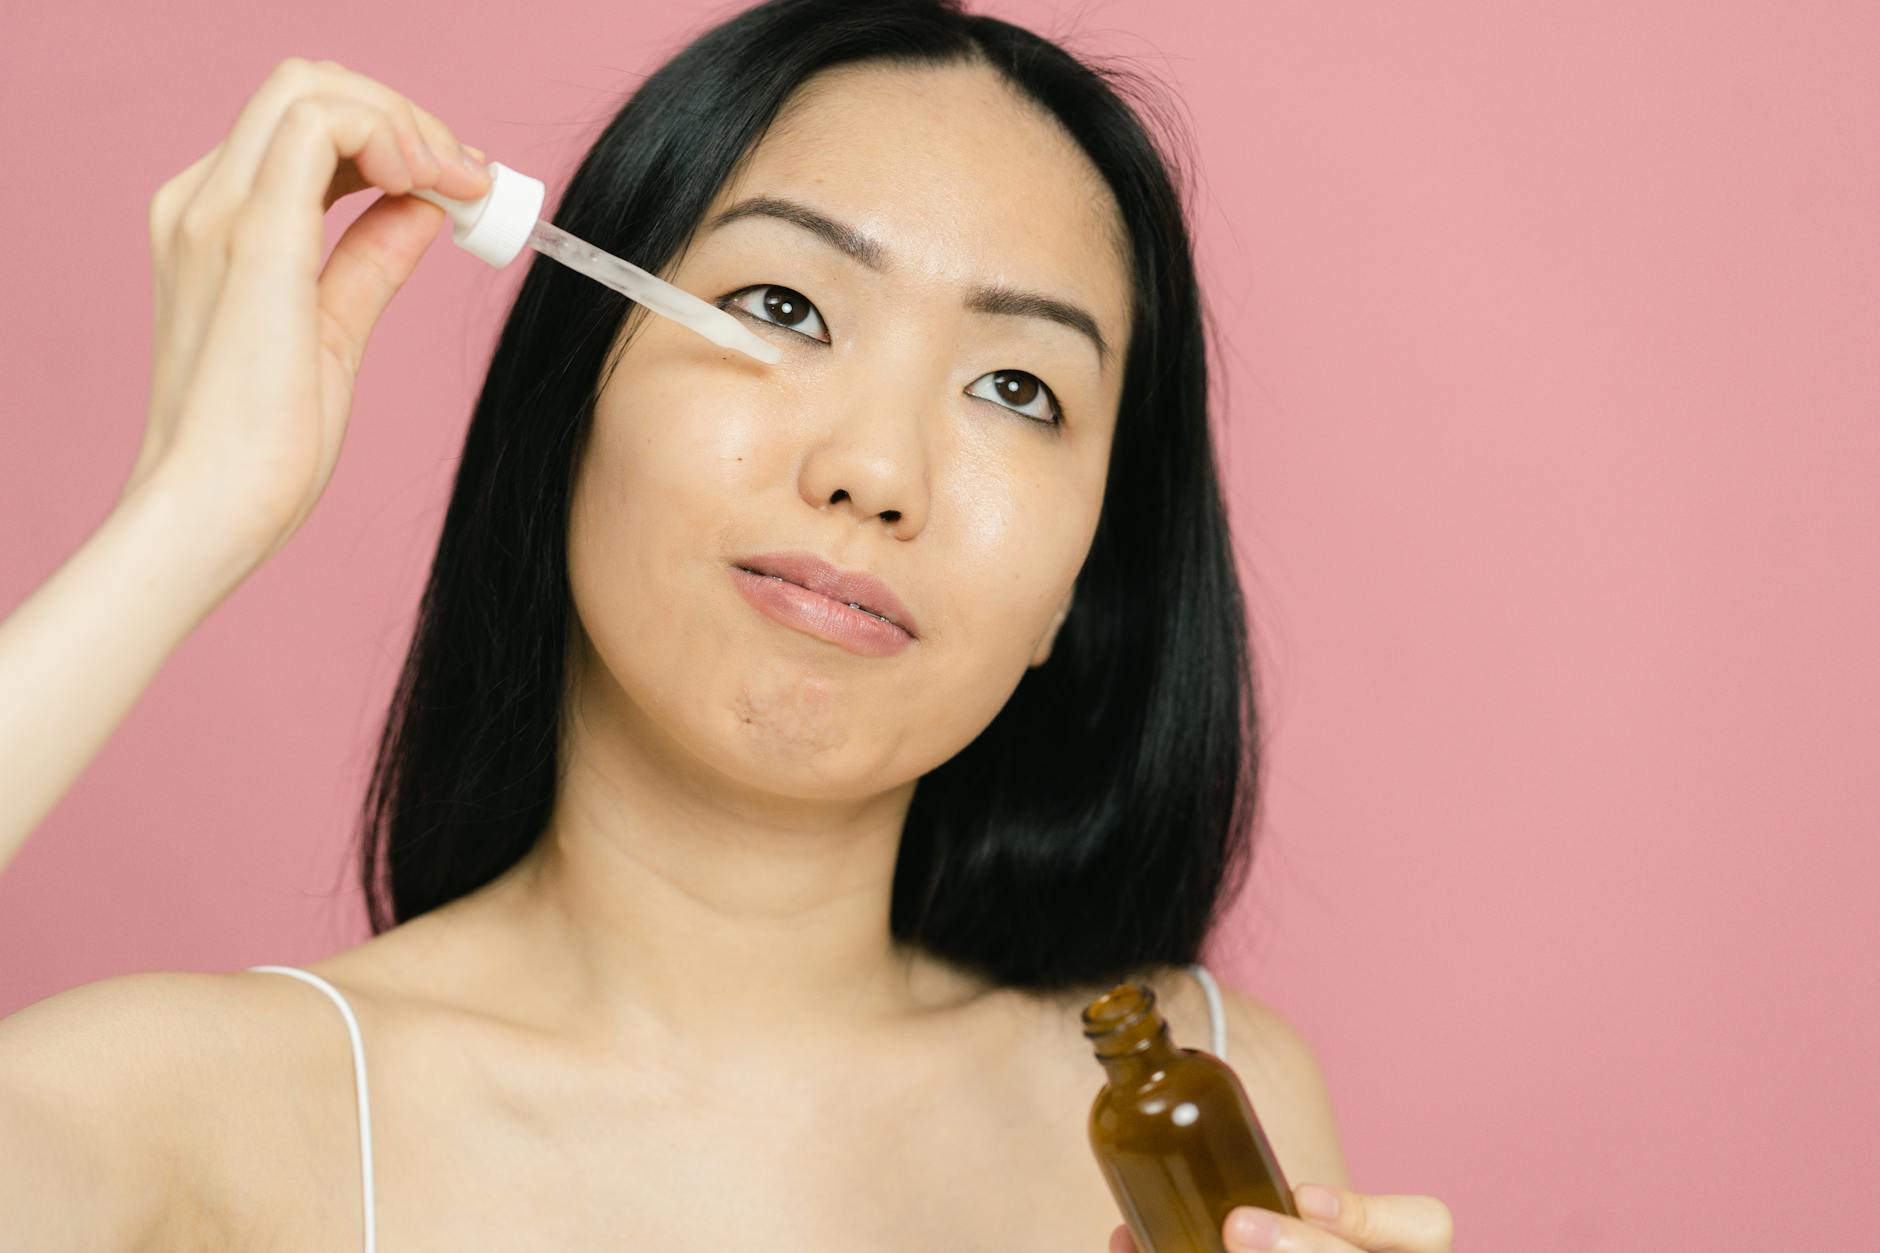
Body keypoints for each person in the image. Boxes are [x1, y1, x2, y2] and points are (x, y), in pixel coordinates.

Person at [0, 1, 1453, 1249]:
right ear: (573, 396)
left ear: (1081, 581)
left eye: (1018, 389)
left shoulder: (1200, 1087)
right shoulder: (181, 1120)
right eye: (783, 304)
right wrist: (190, 511)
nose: (876, 472)